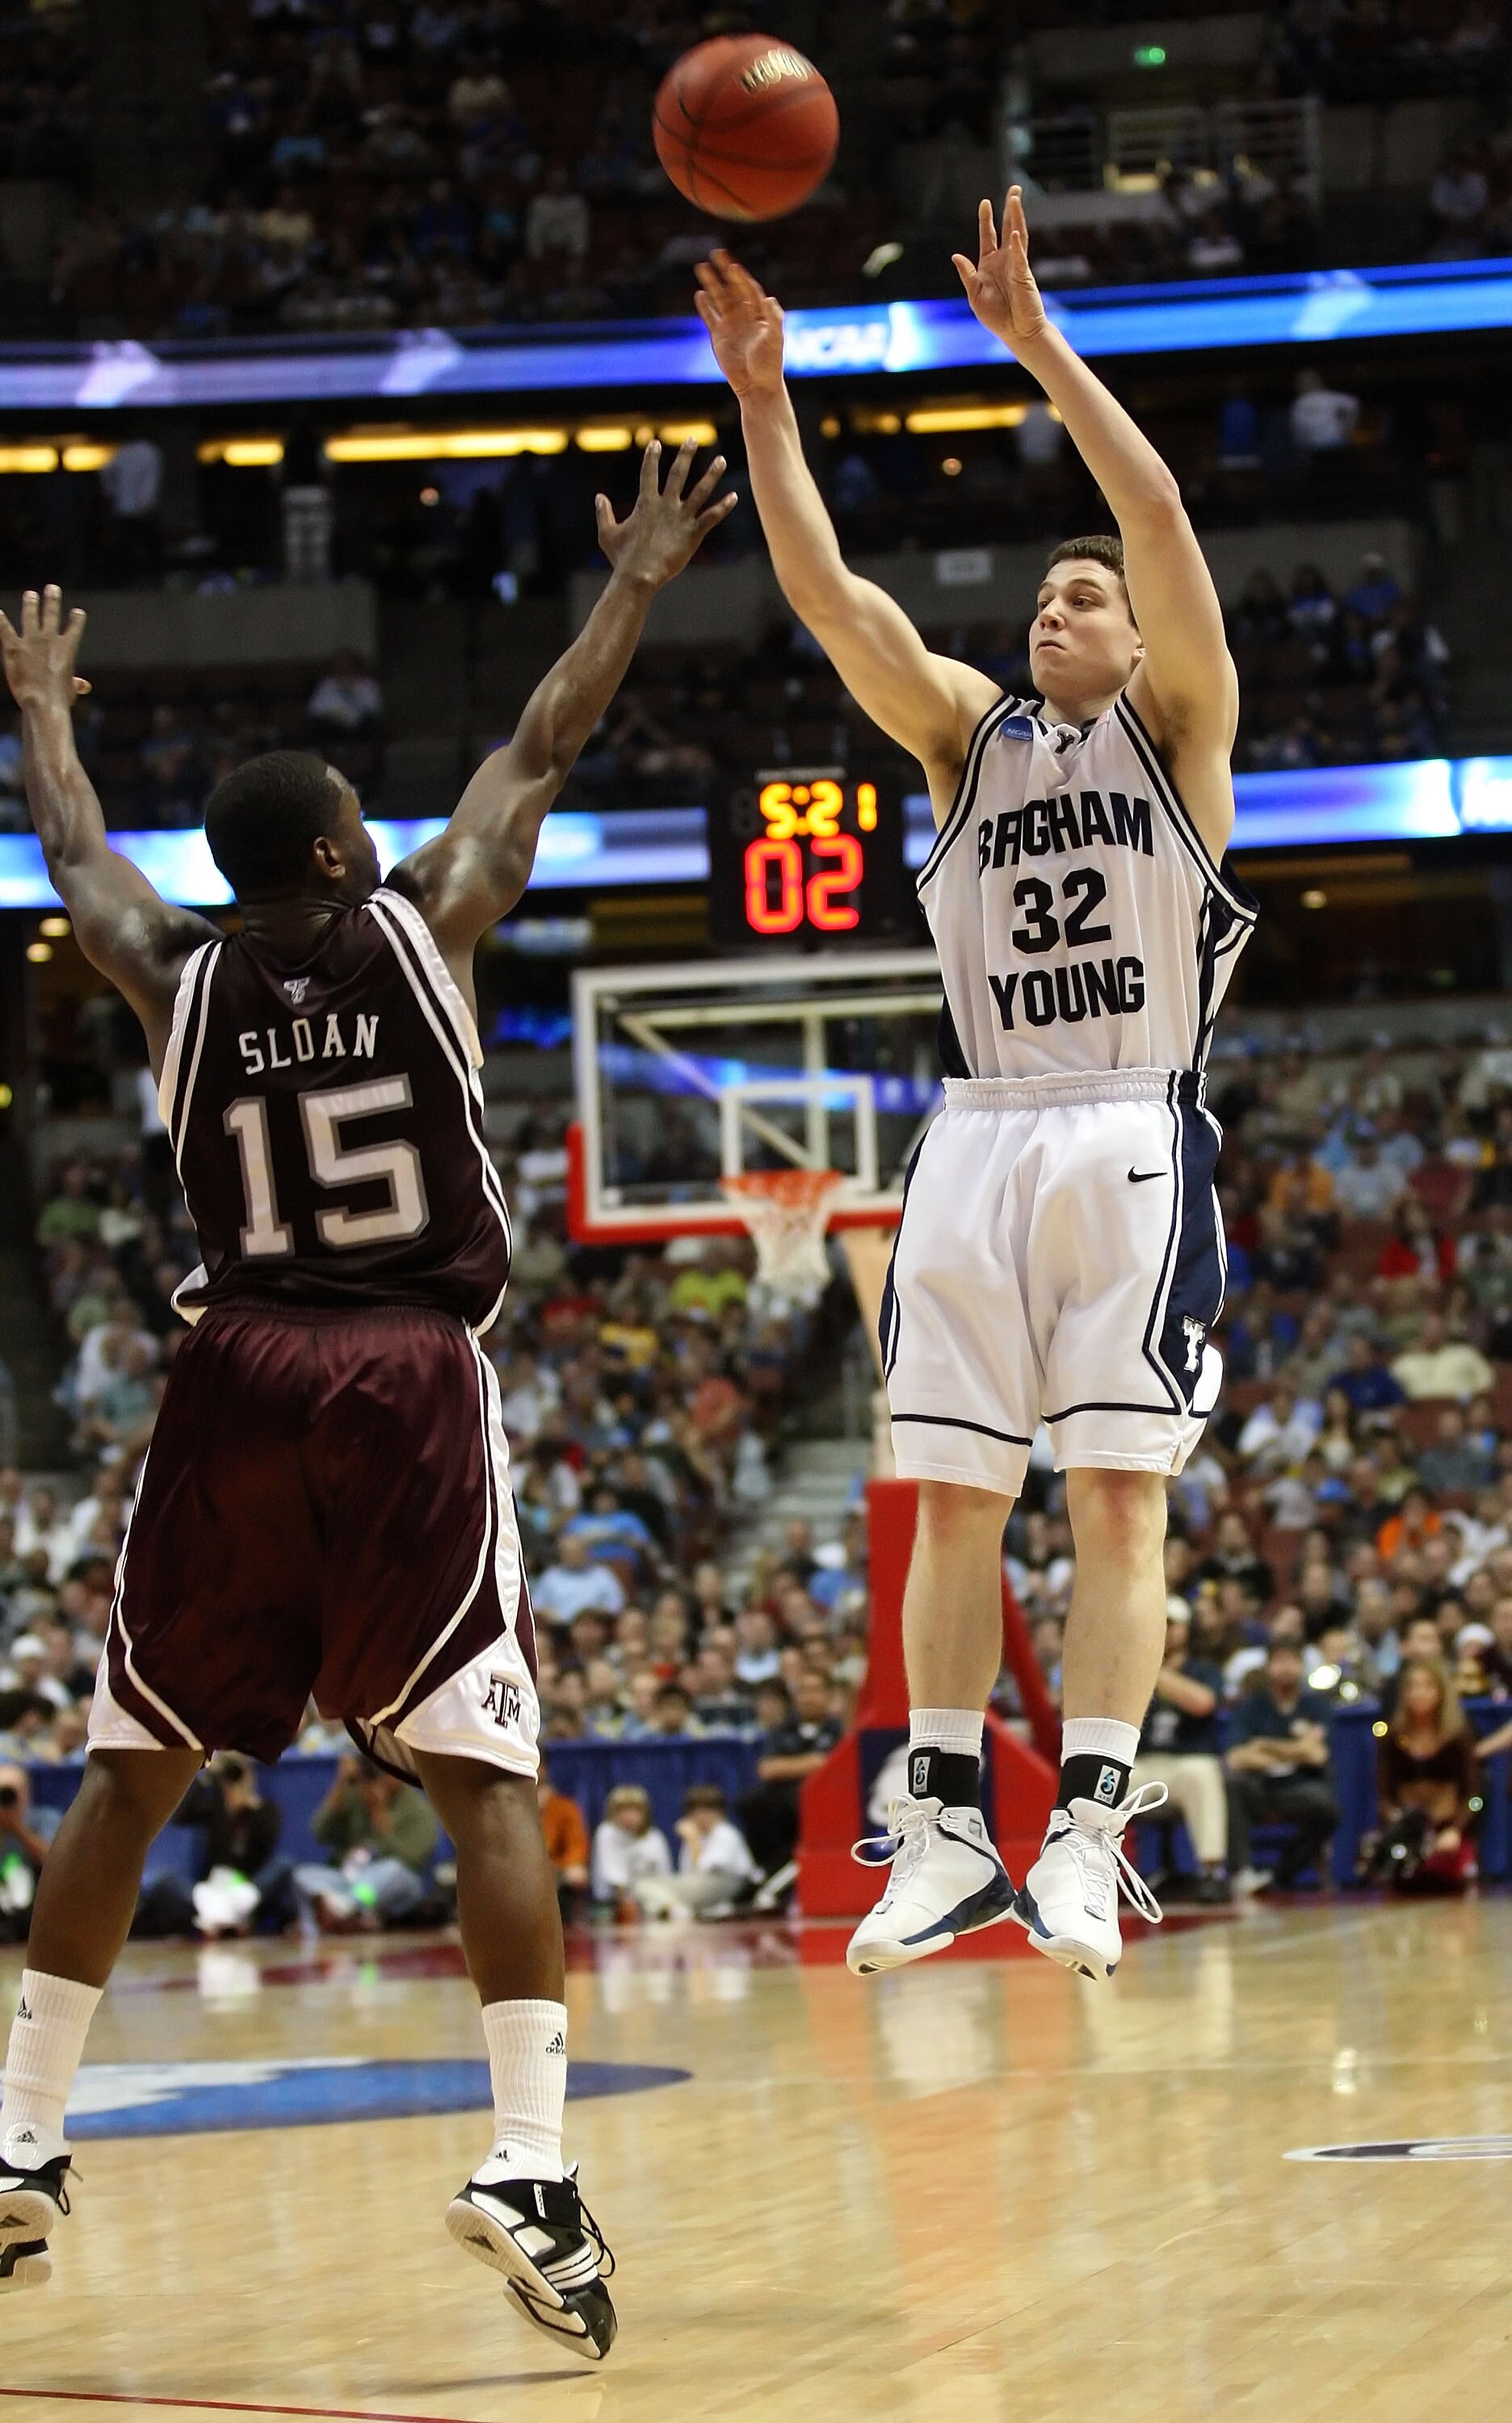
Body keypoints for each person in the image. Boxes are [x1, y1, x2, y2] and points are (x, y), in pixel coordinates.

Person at [0, 437, 736, 2350]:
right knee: (486, 1772)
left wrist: (45, 721)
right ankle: (523, 2153)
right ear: (339, 847)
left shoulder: (166, 969)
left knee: (131, 1763)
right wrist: (638, 577)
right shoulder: (429, 916)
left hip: (231, 1371)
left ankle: (15, 2145)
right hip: (404, 1371)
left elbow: (77, 856)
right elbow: (543, 745)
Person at [697, 191, 1258, 1984]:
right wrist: (767, 403)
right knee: (951, 1491)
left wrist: (1038, 351)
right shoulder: (965, 735)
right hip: (982, 1124)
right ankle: (940, 1823)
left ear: (1136, 639)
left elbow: (1158, 516)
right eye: (1041, 591)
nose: (1055, 605)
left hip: (1129, 1119)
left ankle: (1088, 1828)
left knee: (1114, 1497)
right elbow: (826, 597)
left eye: (1079, 594)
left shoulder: (1181, 737)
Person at [1130, 1612, 1231, 1903]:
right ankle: (1097, 1872)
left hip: (1187, 1761)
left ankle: (1211, 1872)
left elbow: (1203, 1703)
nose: (1166, 1630)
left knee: (1202, 1774)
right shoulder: (1131, 1670)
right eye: (1161, 1622)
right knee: (1108, 1780)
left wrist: (1157, 1673)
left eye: (1173, 1625)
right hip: (1144, 1763)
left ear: (1186, 1630)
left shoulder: (1203, 1669)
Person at [1224, 1641, 1340, 1890]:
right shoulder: (1251, 1706)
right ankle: (1242, 1873)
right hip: (1259, 1786)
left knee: (1327, 1808)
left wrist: (1263, 1745)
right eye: (1279, 1661)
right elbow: (1236, 1758)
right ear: (1267, 1667)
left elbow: (1318, 1756)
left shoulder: (1317, 1705)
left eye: (1292, 1661)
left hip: (1300, 1785)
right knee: (1230, 1783)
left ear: (1302, 1666)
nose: (1286, 1668)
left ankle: (1283, 1872)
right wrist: (1296, 1750)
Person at [1367, 1659, 1479, 1893]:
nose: (1419, 1693)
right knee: (1400, 1873)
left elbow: (1474, 1794)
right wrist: (1397, 1821)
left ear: (1440, 1692)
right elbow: (1383, 1792)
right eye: (1413, 1686)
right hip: (1407, 1830)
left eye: (1428, 1686)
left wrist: (1456, 1830)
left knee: (1444, 1873)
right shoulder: (1390, 1735)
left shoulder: (1458, 1735)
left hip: (1446, 1830)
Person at [293, 1754, 440, 1931]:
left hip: (397, 1884)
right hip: (349, 1878)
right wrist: (339, 1787)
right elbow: (319, 1834)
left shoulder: (418, 1808)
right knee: (302, 1876)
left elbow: (410, 1859)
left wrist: (381, 1818)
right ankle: (322, 1924)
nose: (375, 1783)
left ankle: (347, 1907)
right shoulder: (354, 1797)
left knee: (389, 1871)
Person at [632, 1783, 760, 1921]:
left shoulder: (725, 1833)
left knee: (647, 1888)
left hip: (730, 1884)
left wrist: (693, 1840)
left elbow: (705, 1868)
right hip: (703, 1884)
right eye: (696, 1811)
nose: (702, 1816)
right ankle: (675, 1908)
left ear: (720, 1812)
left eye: (708, 1810)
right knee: (643, 1886)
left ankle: (676, 1909)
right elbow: (687, 1872)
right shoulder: (698, 1835)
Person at [0, 1763, 61, 1945]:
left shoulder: (45, 1819)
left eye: (11, 1793)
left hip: (38, 1908)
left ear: (27, 1794)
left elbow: (56, 1863)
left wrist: (17, 1828)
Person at [589, 1783, 672, 1910]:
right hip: (614, 1904)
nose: (629, 1816)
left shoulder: (655, 1838)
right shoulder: (606, 1833)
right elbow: (614, 1879)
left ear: (645, 1813)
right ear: (613, 1812)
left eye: (635, 1810)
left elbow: (665, 1876)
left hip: (654, 1900)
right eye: (623, 1810)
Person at [536, 1766, 590, 1921]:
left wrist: (566, 1866)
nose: (538, 1793)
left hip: (557, 1872)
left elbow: (577, 1845)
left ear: (550, 1788)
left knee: (576, 1874)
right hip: (521, 1873)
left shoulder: (566, 1809)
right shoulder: (512, 1811)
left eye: (542, 1786)